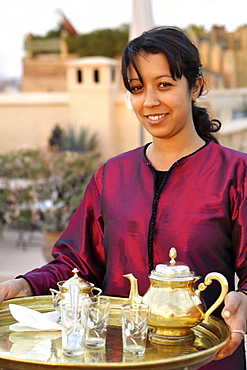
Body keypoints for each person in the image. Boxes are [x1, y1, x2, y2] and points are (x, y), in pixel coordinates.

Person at [0, 27, 247, 370]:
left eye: (164, 85)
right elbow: (77, 265)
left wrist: (244, 298)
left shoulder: (235, 174)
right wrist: (24, 285)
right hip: (116, 359)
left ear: (195, 86)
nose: (149, 101)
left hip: (206, 360)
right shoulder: (111, 176)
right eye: (136, 88)